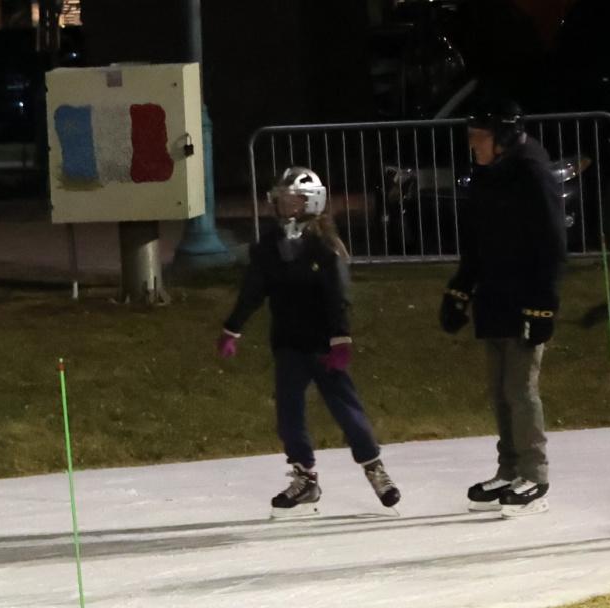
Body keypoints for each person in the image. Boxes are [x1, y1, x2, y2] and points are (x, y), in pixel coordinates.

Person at [218, 167, 401, 518]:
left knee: (347, 411)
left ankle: (374, 467)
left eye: (293, 200)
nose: (285, 206)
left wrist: (340, 340)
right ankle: (305, 478)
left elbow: (337, 297)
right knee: (288, 414)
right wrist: (232, 328)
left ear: (311, 202)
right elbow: (253, 291)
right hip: (288, 343)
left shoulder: (325, 248)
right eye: (281, 200)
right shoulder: (269, 248)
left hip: (322, 344)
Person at [439, 97, 566, 517]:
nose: (473, 145)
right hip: (494, 295)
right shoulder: (486, 174)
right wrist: (460, 290)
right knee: (499, 391)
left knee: (520, 388)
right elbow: (476, 241)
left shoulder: (532, 172)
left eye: (480, 137)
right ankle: (509, 468)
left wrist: (543, 306)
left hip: (525, 297)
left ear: (505, 137)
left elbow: (551, 243)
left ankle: (536, 473)